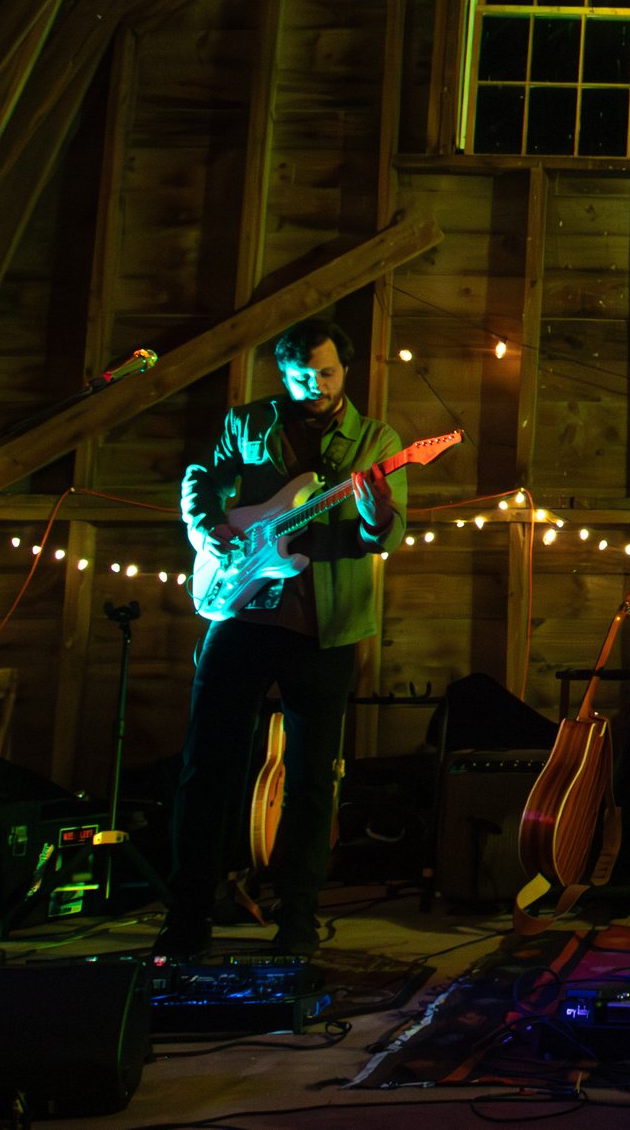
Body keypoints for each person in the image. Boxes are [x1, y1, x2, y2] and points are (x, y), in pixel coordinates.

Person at [156, 316, 406, 958]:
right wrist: (205, 524)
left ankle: (297, 922)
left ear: (346, 369)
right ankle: (187, 916)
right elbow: (201, 478)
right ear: (283, 374)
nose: (315, 386)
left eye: (326, 373)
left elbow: (379, 538)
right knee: (205, 769)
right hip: (237, 613)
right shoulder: (247, 422)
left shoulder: (377, 440)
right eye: (301, 376)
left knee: (312, 778)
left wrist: (378, 516)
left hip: (323, 628)